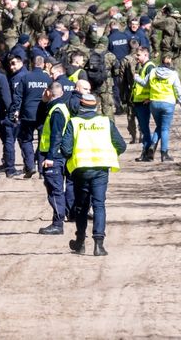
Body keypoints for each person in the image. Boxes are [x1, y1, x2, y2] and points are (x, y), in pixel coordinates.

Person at [61, 92, 127, 257]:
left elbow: (66, 149)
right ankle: (99, 245)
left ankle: (80, 242)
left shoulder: (74, 123)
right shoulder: (105, 122)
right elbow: (121, 145)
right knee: (99, 205)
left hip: (81, 170)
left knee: (81, 207)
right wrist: (108, 154)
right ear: (96, 107)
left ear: (81, 107)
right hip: (100, 171)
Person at [36, 81, 71, 235]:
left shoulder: (56, 111)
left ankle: (58, 224)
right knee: (56, 189)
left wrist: (50, 157)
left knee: (55, 191)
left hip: (54, 157)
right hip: (57, 155)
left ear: (48, 92)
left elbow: (56, 135)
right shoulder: (58, 107)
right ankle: (58, 220)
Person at [148, 53, 181, 161]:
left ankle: (152, 145)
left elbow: (145, 83)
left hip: (154, 102)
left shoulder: (153, 71)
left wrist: (136, 78)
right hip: (168, 103)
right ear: (170, 61)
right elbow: (179, 91)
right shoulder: (173, 74)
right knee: (165, 128)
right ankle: (164, 154)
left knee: (159, 126)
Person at [16, 56, 51, 178]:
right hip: (43, 114)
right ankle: (42, 170)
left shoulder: (25, 77)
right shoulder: (47, 78)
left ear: (32, 64)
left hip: (27, 114)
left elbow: (18, 96)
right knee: (43, 141)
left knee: (26, 140)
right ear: (43, 65)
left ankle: (30, 166)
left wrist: (15, 111)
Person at [130, 47, 158, 160]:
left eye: (138, 55)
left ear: (146, 55)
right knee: (143, 128)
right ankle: (147, 152)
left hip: (143, 102)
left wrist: (150, 97)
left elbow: (154, 84)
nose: (136, 57)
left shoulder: (149, 67)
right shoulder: (143, 66)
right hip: (139, 101)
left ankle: (147, 152)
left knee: (144, 128)